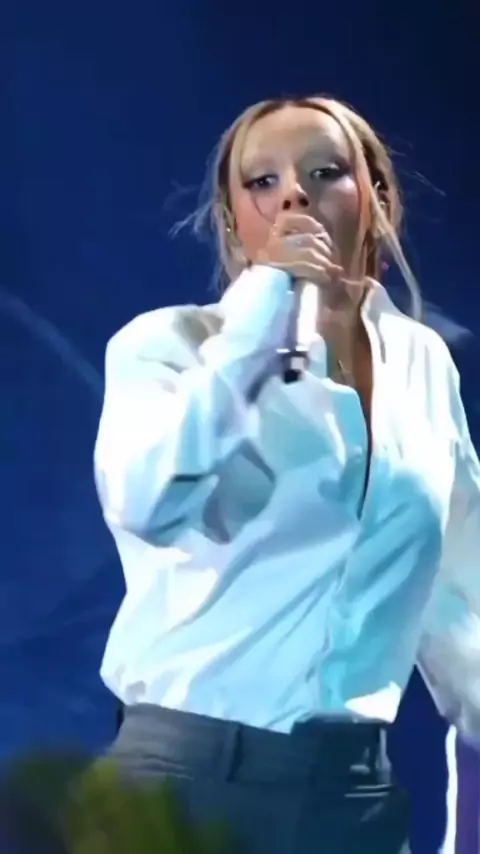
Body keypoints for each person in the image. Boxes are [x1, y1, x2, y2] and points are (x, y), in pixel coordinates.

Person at [93, 96, 480, 853]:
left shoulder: (424, 365)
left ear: (376, 199)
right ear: (233, 220)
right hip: (187, 783)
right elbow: (148, 500)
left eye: (325, 172)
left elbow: (458, 591)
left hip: (352, 796)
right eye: (263, 181)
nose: (295, 194)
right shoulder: (168, 346)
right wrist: (262, 315)